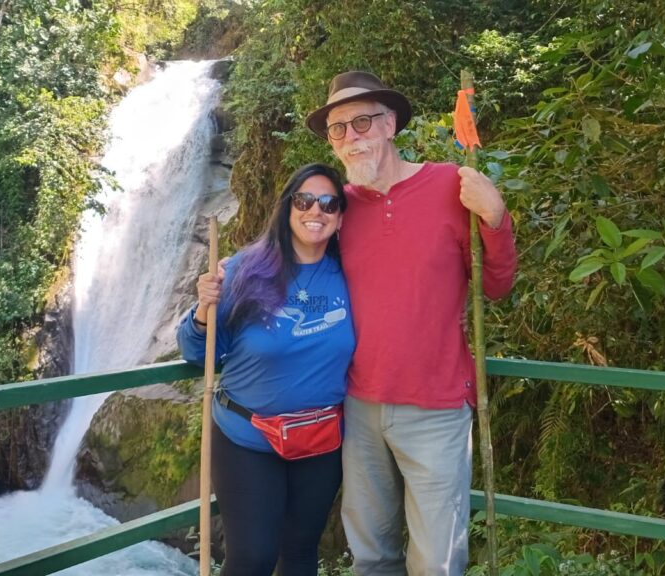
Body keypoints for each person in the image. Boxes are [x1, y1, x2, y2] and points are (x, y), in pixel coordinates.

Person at [305, 71, 518, 575]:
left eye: (362, 122)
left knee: (436, 561)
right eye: (338, 129)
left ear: (390, 124)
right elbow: (290, 266)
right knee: (371, 556)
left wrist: (495, 217)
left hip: (437, 406)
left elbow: (495, 287)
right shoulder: (337, 207)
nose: (351, 137)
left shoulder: (449, 185)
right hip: (358, 405)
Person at [177, 163, 355, 576]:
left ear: (340, 216)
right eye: (304, 200)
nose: (316, 210)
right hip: (248, 438)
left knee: (300, 555)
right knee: (252, 559)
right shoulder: (246, 270)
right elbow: (197, 352)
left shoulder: (351, 274)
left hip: (320, 441)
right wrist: (203, 310)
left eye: (328, 204)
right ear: (287, 207)